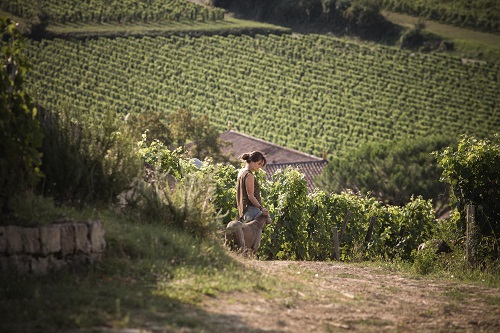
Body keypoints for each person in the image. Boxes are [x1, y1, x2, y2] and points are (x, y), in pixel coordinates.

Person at [236, 151, 269, 222]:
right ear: (251, 161)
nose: (260, 167)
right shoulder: (249, 175)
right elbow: (250, 196)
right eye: (259, 164)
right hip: (252, 211)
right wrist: (261, 208)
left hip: (244, 210)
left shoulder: (241, 172)